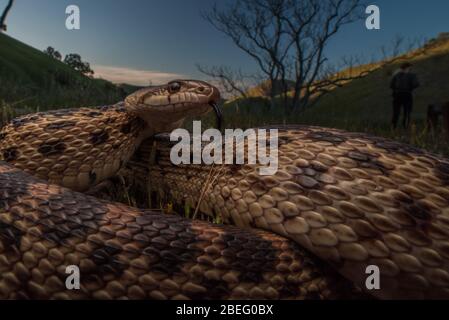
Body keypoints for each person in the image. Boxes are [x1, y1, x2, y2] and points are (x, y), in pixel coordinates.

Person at [390, 62, 420, 129]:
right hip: (407, 94)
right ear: (407, 67)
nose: (411, 69)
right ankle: (405, 128)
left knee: (396, 112)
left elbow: (391, 85)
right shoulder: (411, 75)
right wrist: (410, 87)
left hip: (397, 95)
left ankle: (393, 128)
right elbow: (416, 84)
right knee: (407, 112)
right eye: (410, 67)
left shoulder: (396, 75)